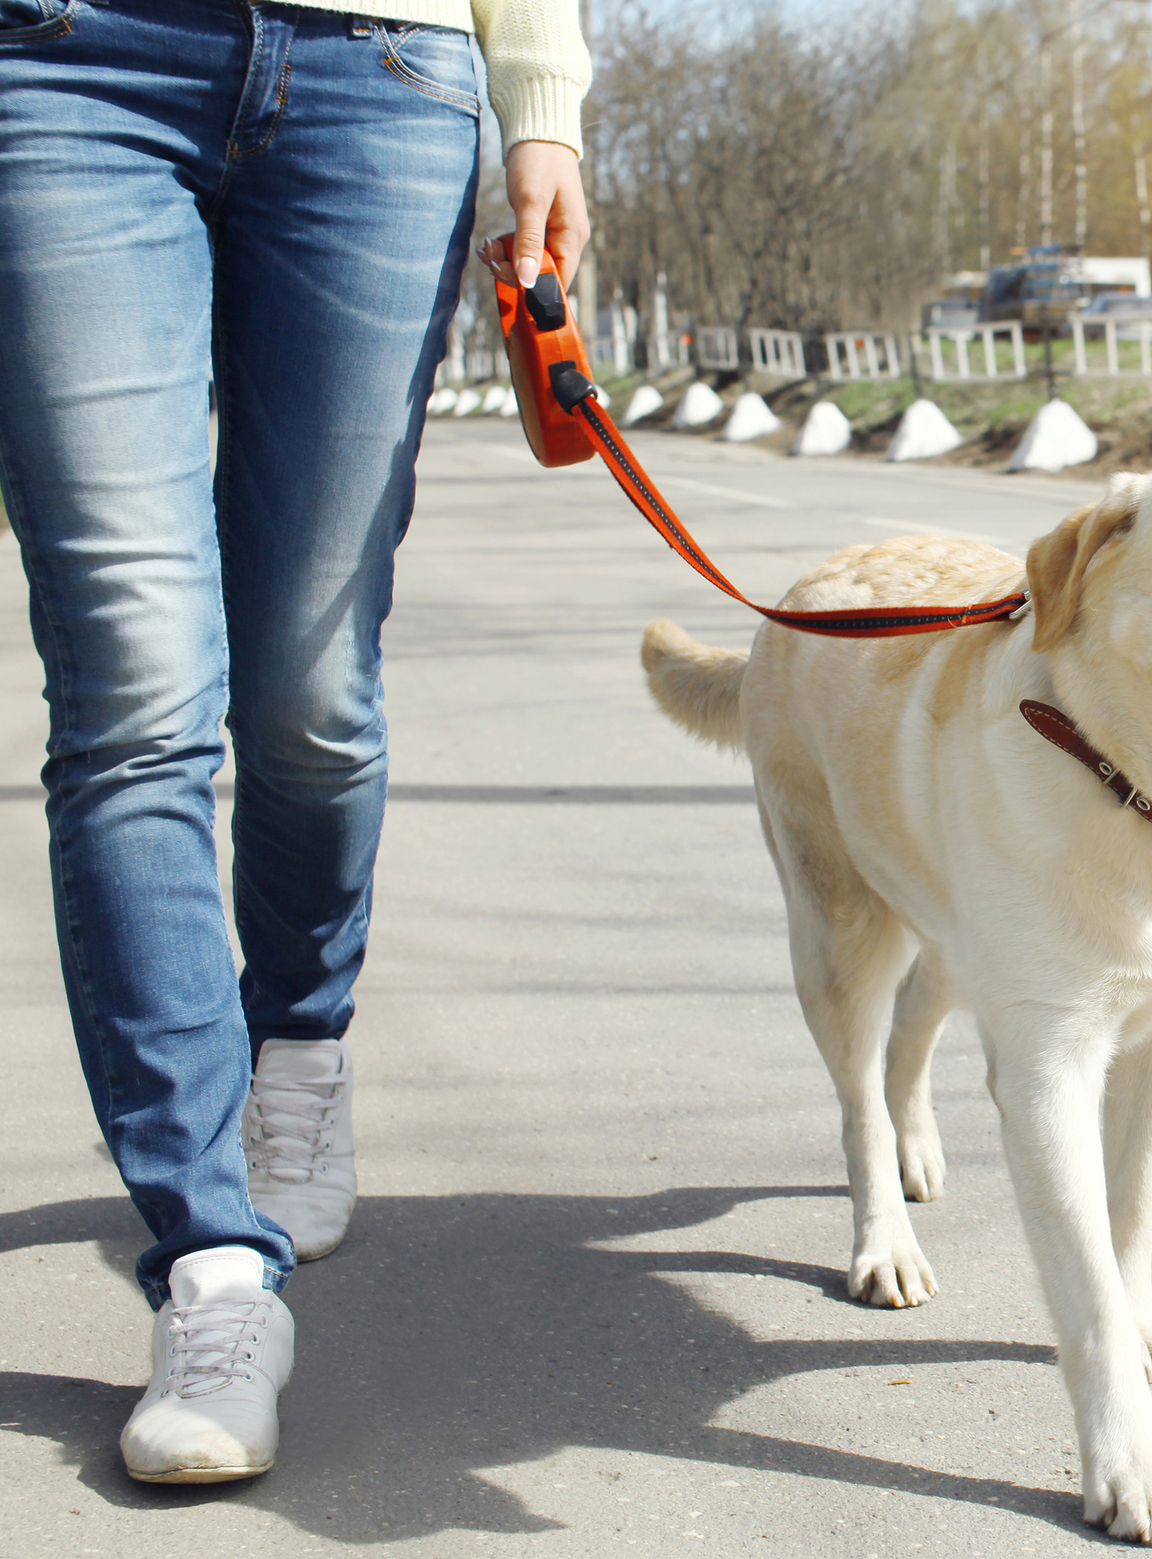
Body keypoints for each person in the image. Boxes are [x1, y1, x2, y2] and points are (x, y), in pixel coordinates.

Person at [0, 0, 589, 1483]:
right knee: (135, 692)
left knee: (312, 692)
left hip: (379, 70)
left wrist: (542, 102)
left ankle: (300, 1047)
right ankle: (212, 1269)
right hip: (63, 59)